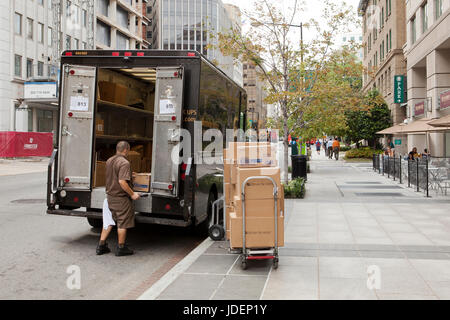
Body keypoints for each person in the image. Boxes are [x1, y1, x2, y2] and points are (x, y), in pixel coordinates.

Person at [96, 141, 141, 256]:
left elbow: (115, 175)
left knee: (108, 222)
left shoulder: (110, 160)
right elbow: (121, 181)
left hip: (109, 197)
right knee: (122, 222)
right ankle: (121, 248)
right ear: (126, 149)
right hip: (120, 198)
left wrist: (130, 175)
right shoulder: (124, 162)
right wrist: (132, 194)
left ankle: (101, 246)